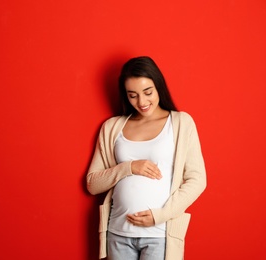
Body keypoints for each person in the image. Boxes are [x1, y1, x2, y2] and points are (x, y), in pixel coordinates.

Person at [86, 56, 207, 260]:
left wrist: (160, 216)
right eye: (132, 95)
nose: (141, 102)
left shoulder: (180, 123)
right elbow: (92, 184)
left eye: (147, 92)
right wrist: (129, 167)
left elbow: (198, 180)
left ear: (158, 86)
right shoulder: (112, 127)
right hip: (118, 232)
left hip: (159, 235)